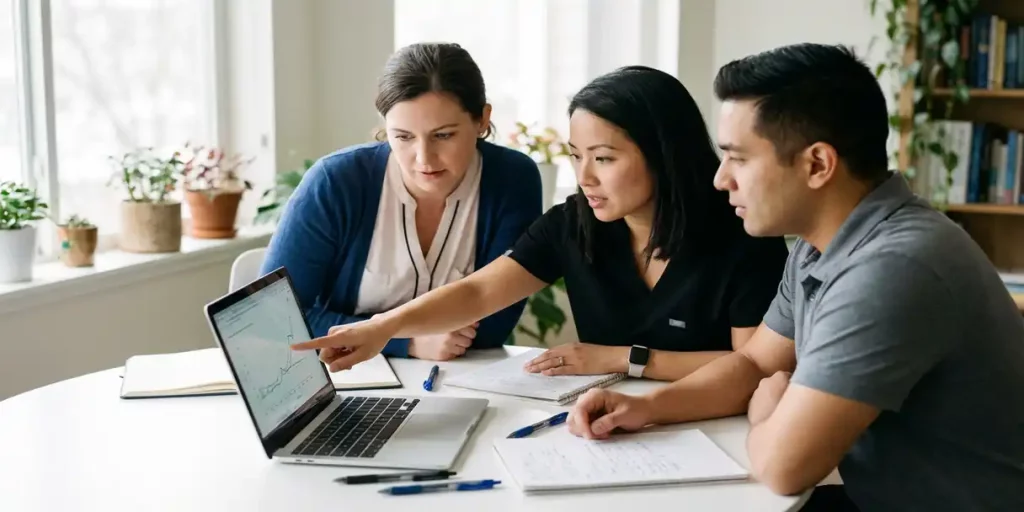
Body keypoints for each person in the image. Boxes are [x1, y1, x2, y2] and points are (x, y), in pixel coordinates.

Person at [560, 44, 1024, 511]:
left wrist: (766, 411)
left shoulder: (893, 267)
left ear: (817, 164)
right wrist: (647, 408)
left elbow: (784, 468)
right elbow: (755, 362)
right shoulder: (819, 244)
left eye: (739, 159)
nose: (720, 179)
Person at [290, 65, 790, 384]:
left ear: (664, 155)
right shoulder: (577, 221)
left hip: (719, 429)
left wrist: (623, 358)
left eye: (604, 158)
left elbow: (754, 367)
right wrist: (385, 328)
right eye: (576, 156)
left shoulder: (742, 233)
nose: (585, 177)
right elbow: (478, 292)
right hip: (610, 422)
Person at [260, 42, 542, 361]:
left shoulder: (513, 179)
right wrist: (405, 342)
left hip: (463, 375)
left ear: (482, 120)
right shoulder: (336, 181)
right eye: (403, 137)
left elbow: (493, 326)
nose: (424, 158)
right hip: (351, 374)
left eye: (443, 135)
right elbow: (271, 318)